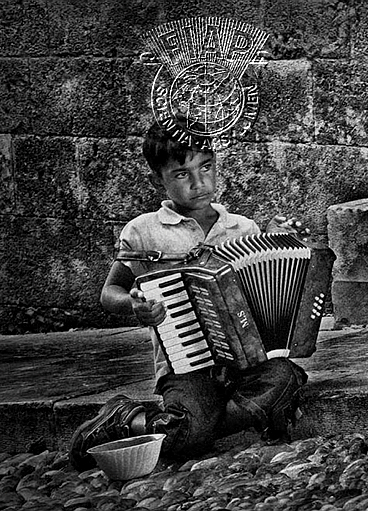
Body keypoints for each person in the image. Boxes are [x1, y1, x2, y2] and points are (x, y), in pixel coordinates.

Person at [69, 121, 309, 471]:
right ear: (157, 180)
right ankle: (126, 417)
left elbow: (264, 295)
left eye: (206, 167)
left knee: (286, 377)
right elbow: (110, 292)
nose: (199, 183)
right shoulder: (144, 231)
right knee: (189, 438)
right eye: (182, 174)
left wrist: (279, 242)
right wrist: (134, 305)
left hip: (246, 363)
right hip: (184, 366)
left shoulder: (243, 228)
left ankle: (192, 422)